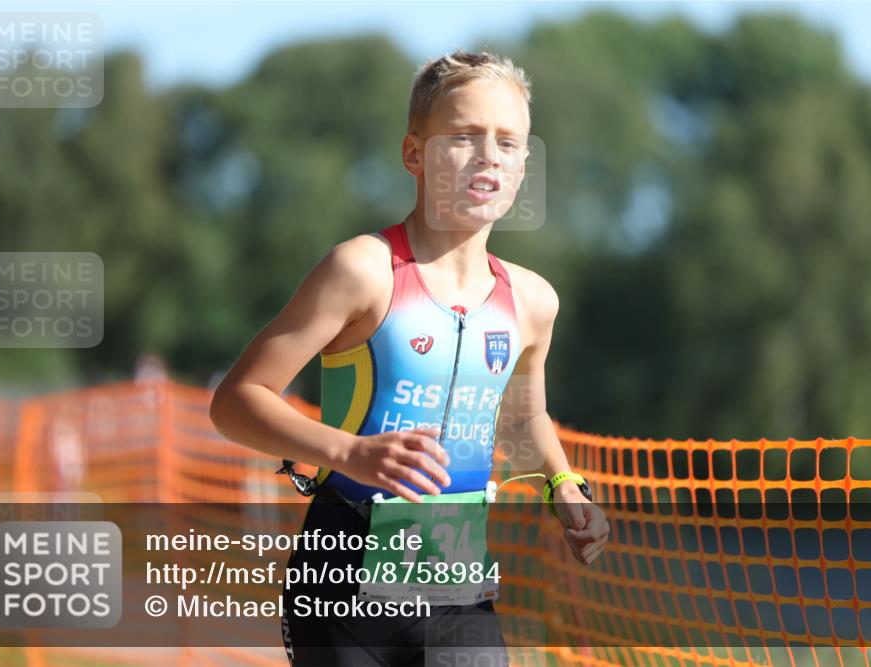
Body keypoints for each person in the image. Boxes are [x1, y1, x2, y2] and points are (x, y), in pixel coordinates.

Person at [210, 49, 609, 666]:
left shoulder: (533, 302)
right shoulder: (362, 271)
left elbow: (521, 419)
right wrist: (350, 453)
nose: (489, 156)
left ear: (523, 166)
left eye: (508, 142)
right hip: (341, 583)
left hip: (459, 591)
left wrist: (564, 485)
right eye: (465, 136)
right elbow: (236, 402)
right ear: (413, 154)